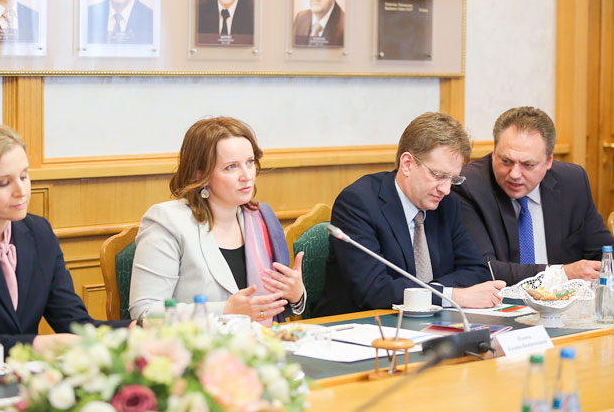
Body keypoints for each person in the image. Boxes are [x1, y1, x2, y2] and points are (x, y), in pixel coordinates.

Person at [0, 125, 131, 370]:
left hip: (23, 379)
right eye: (3, 183)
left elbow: (75, 323)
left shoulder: (39, 232)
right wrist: (40, 345)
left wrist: (135, 329)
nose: (21, 191)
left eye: (24, 176)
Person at [314, 113, 503, 316]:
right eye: (439, 175)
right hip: (360, 324)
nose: (446, 189)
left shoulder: (447, 205)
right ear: (407, 164)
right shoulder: (359, 203)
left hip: (430, 322)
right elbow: (373, 289)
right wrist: (453, 296)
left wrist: (429, 293)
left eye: (453, 179)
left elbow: (477, 271)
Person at [129, 117, 305, 323]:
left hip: (263, 340)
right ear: (199, 174)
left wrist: (296, 294)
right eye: (231, 167)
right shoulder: (167, 221)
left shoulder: (261, 217)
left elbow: (274, 307)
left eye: (250, 162)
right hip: (198, 342)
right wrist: (225, 310)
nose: (247, 176)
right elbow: (145, 312)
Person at [454, 107, 614, 285]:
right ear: (494, 153)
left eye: (528, 165)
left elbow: (604, 254)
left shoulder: (573, 182)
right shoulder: (469, 187)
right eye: (506, 161)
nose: (515, 174)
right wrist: (561, 274)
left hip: (567, 299)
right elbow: (485, 269)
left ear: (549, 161)